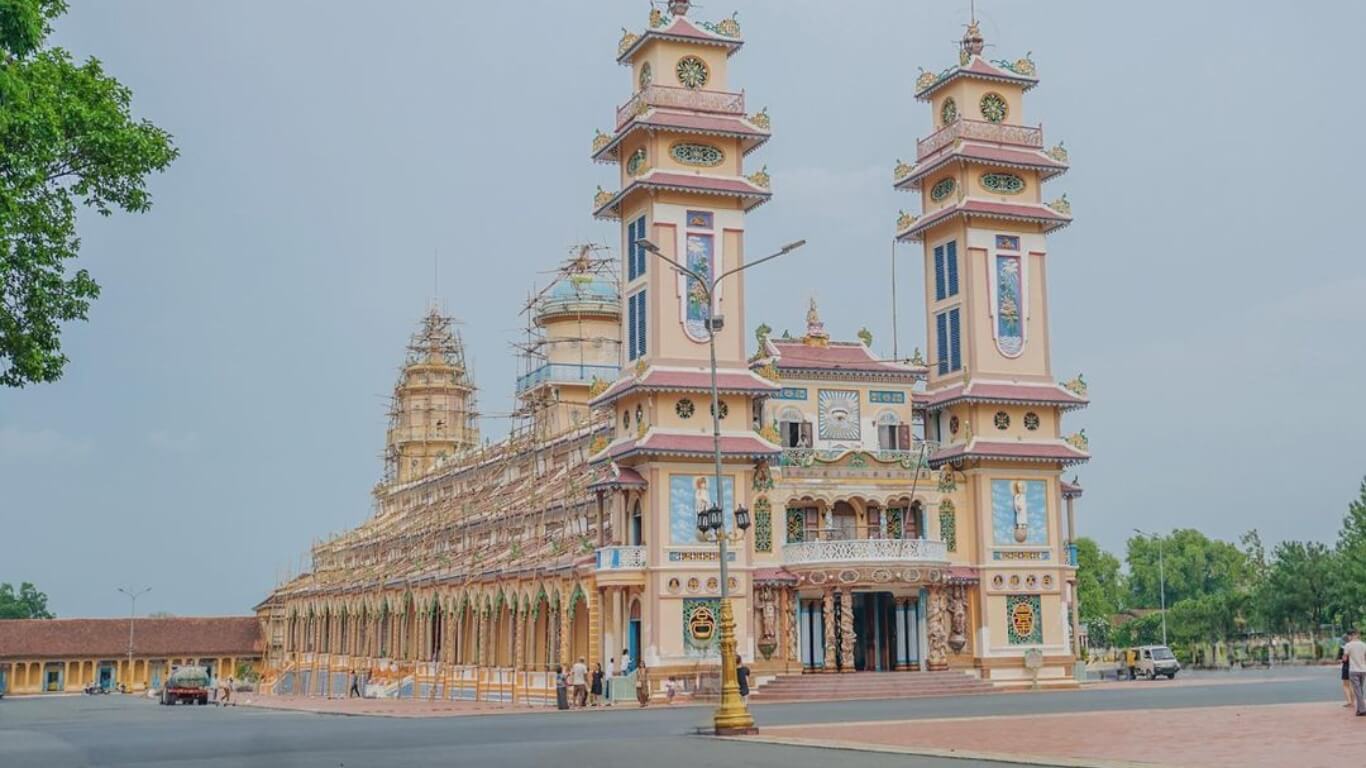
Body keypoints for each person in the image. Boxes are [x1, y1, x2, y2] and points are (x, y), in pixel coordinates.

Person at [1344, 629, 1366, 717]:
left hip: (1354, 670)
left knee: (1358, 691)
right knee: (1360, 690)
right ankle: (1359, 709)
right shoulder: (1364, 644)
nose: (1348, 638)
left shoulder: (1348, 645)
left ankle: (1362, 710)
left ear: (1352, 635)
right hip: (1363, 670)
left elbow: (1345, 658)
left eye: (1349, 636)